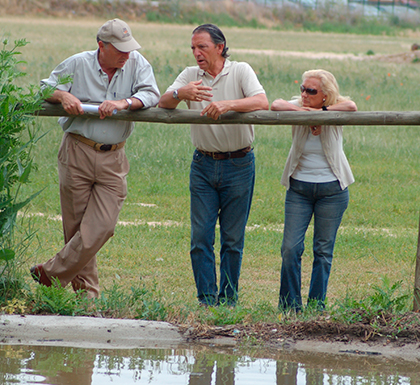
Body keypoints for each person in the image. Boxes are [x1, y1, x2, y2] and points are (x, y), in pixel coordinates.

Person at [30, 19, 160, 298]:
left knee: (103, 226)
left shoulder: (137, 63)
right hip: (77, 149)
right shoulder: (77, 63)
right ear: (101, 46)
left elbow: (151, 94)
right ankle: (87, 296)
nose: (127, 54)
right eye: (120, 49)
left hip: (114, 155)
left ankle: (50, 273)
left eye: (129, 48)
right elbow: (43, 89)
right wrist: (62, 95)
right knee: (77, 227)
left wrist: (124, 103)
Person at [158, 24, 268, 307]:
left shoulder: (241, 70)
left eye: (202, 47)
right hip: (203, 164)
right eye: (193, 48)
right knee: (200, 237)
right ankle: (207, 301)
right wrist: (180, 94)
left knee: (232, 240)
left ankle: (228, 301)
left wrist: (227, 105)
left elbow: (262, 101)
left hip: (239, 164)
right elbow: (162, 103)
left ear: (220, 47)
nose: (196, 53)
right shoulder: (190, 76)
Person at [271, 69, 357, 312]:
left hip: (332, 190)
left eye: (311, 91)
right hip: (298, 188)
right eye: (302, 88)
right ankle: (290, 308)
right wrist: (305, 113)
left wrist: (322, 114)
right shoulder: (299, 104)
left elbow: (352, 106)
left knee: (322, 251)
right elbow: (276, 104)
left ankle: (316, 308)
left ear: (326, 95)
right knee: (290, 249)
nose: (304, 94)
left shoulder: (336, 106)